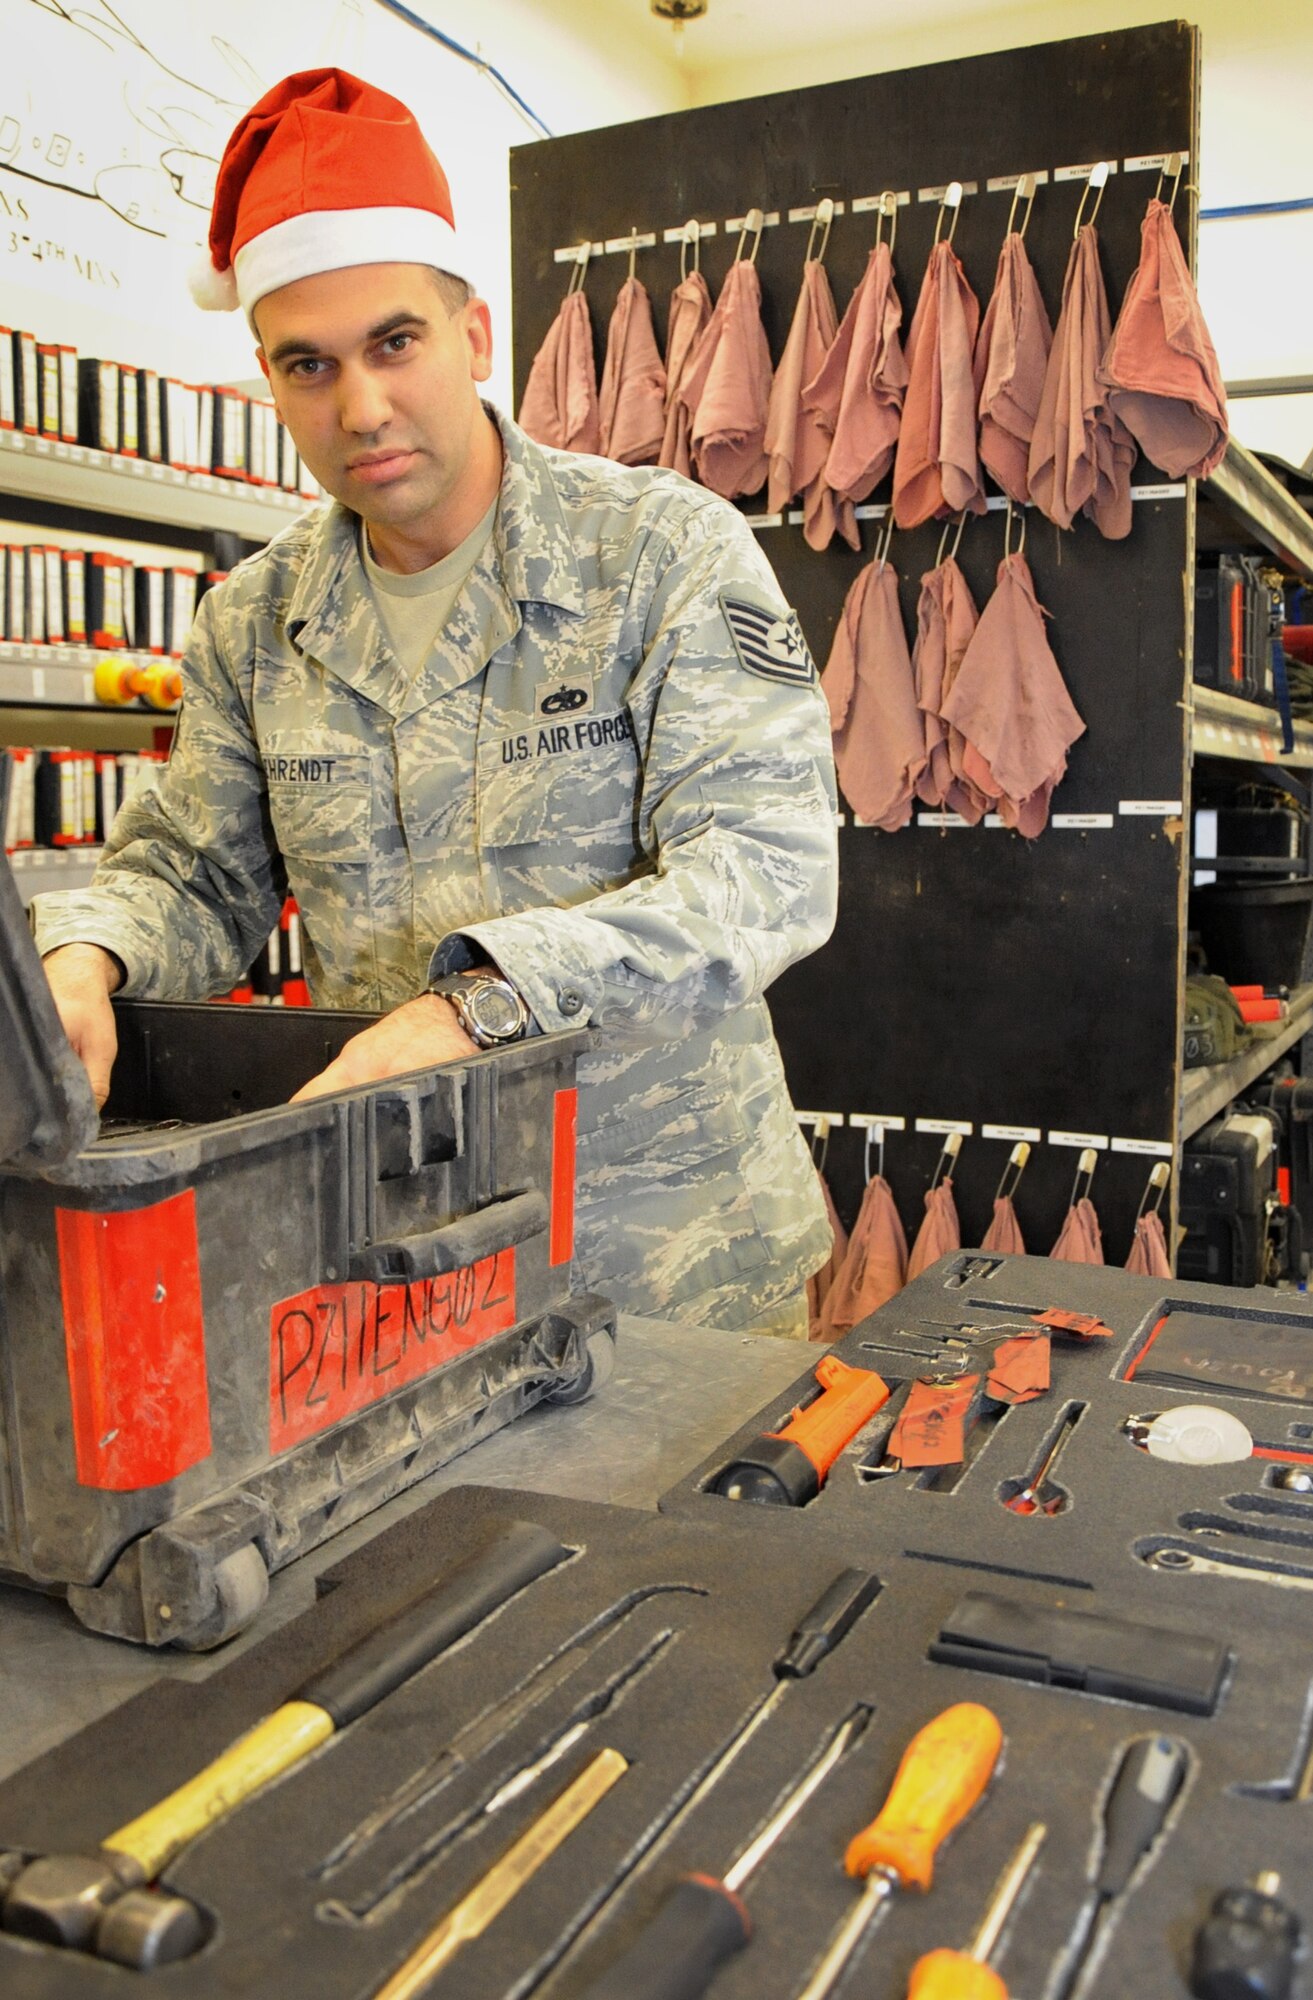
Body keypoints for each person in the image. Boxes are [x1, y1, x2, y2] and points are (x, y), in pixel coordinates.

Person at [33, 69, 838, 1337]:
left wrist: (487, 1002)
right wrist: (82, 959)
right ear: (267, 379)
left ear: (471, 336)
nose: (360, 407)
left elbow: (765, 869)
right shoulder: (256, 617)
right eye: (309, 365)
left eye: (393, 343)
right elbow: (198, 877)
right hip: (399, 1248)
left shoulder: (658, 551)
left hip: (673, 1253)